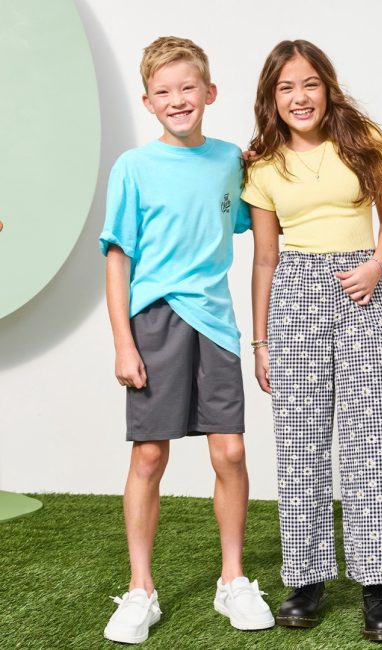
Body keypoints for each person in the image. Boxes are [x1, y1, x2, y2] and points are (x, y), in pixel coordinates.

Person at [99, 36, 273, 644]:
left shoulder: (231, 161)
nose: (177, 100)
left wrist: (259, 161)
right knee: (149, 456)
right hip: (153, 322)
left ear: (210, 92)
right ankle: (140, 590)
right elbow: (117, 259)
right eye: (164, 92)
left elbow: (254, 219)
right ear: (148, 102)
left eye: (187, 88)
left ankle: (233, 579)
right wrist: (123, 342)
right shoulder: (134, 167)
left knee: (231, 453)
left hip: (216, 324)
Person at [243, 39, 382, 642]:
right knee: (300, 445)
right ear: (272, 96)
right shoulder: (262, 165)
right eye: (286, 87)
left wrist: (375, 267)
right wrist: (261, 342)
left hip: (361, 291)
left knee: (372, 440)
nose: (299, 96)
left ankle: (377, 586)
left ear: (327, 87)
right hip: (295, 297)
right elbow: (265, 258)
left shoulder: (364, 142)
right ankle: (306, 580)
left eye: (309, 83)